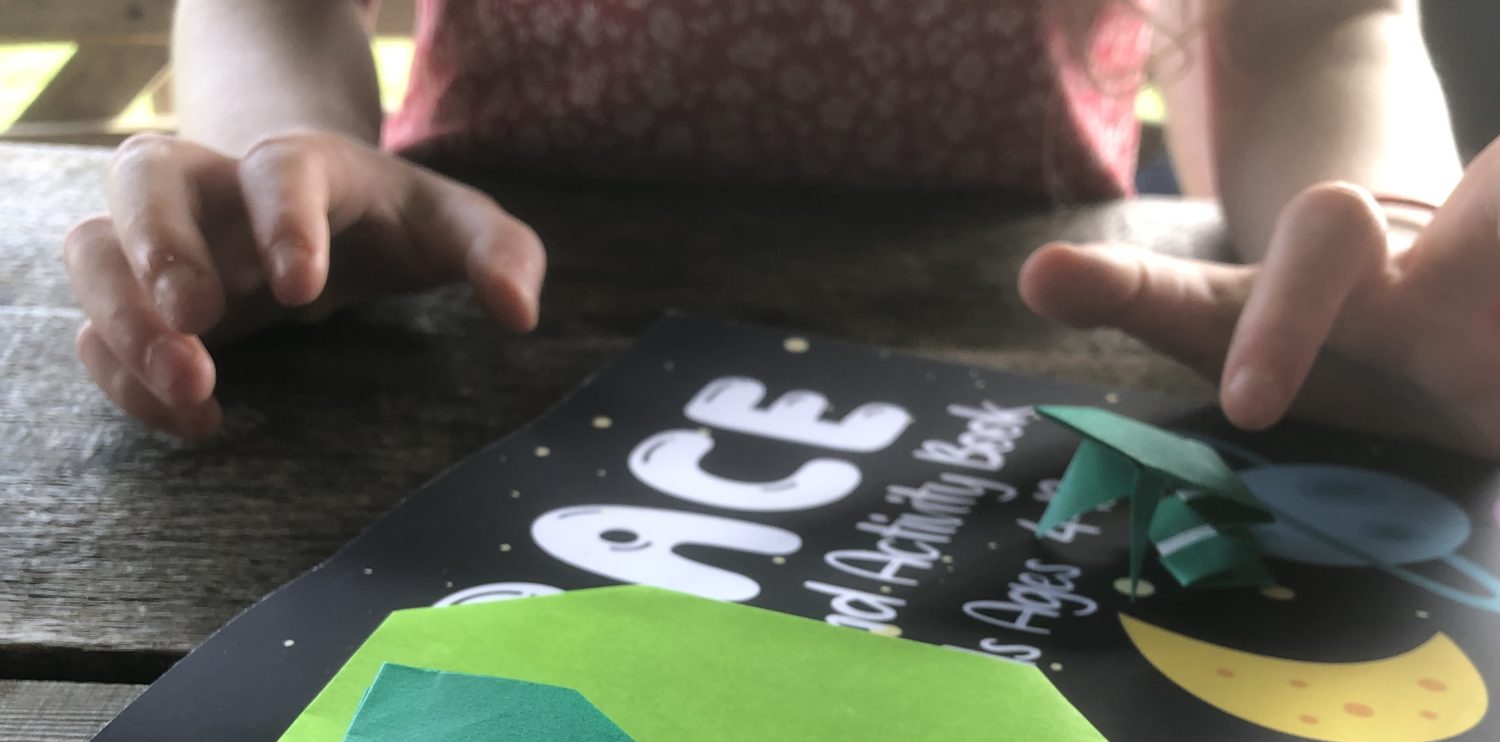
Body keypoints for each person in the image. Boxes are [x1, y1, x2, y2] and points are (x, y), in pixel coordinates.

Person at [62, 1, 1496, 457]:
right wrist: (279, 161)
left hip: (1031, 362)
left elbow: (1311, 30)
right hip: (458, 336)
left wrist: (1385, 242)